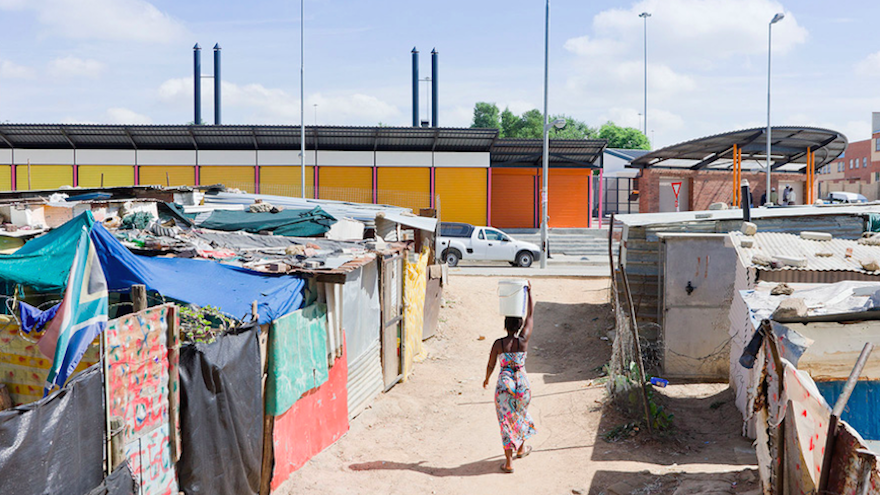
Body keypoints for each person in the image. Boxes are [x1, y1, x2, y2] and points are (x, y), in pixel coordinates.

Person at [483, 282, 537, 473]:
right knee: (520, 415)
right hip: (522, 383)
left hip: (504, 383)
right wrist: (529, 293)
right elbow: (530, 315)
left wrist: (487, 379)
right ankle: (521, 448)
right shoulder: (523, 341)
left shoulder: (499, 343)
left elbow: (491, 364)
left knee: (506, 420)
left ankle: (509, 462)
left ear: (505, 326)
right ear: (520, 326)